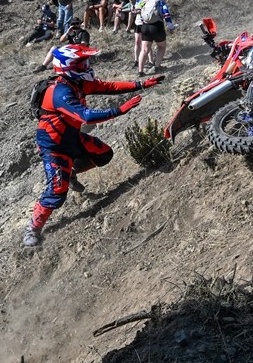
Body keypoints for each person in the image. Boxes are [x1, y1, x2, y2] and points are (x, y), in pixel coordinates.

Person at [25, 45, 163, 247]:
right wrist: (120, 110)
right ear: (68, 67)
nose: (87, 67)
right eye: (82, 64)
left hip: (72, 137)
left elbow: (109, 87)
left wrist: (141, 84)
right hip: (54, 146)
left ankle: (69, 170)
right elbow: (86, 116)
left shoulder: (77, 83)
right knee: (57, 191)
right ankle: (32, 229)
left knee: (104, 154)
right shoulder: (59, 91)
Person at [136, 0, 171, 74]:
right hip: (157, 26)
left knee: (144, 50)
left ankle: (140, 71)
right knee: (162, 47)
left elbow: (140, 14)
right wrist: (171, 27)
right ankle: (157, 67)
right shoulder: (161, 2)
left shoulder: (146, 2)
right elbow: (166, 15)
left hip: (145, 26)